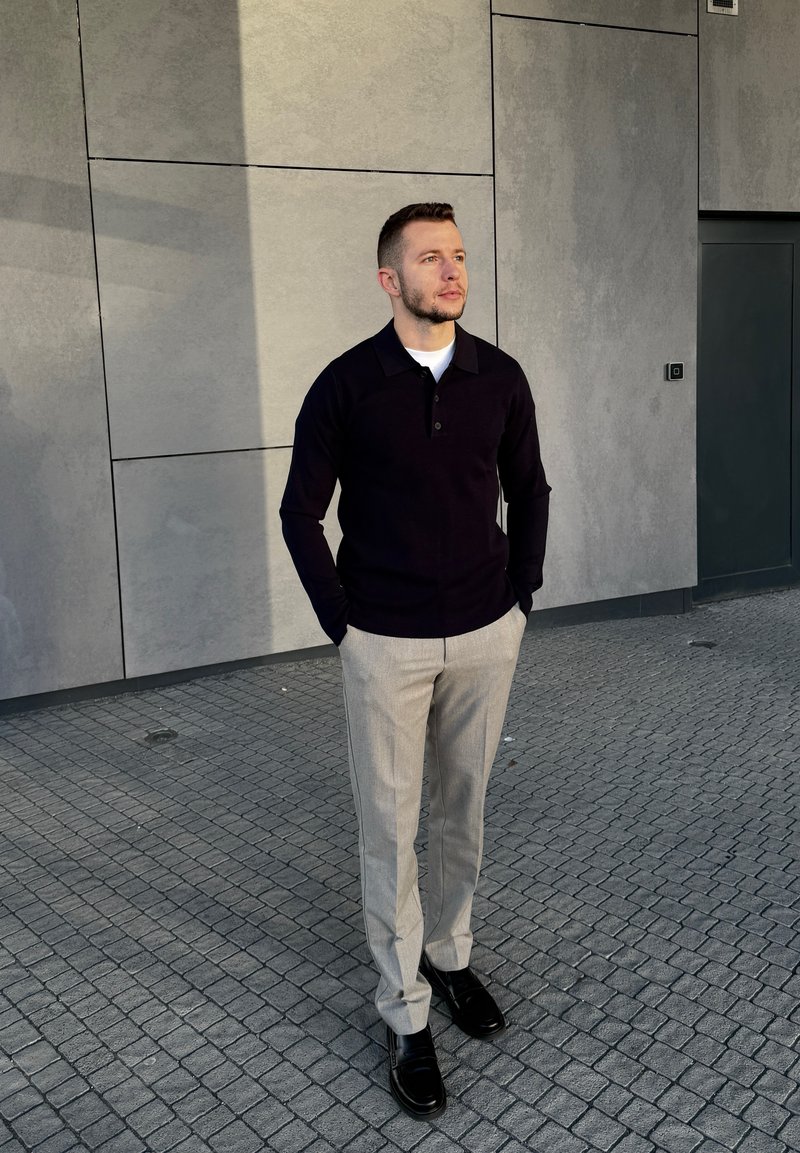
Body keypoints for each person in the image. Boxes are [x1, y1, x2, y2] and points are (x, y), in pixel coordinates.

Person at [280, 202, 549, 1119]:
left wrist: (521, 596)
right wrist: (341, 622)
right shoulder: (347, 384)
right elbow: (299, 511)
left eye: (460, 256)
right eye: (430, 259)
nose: (452, 270)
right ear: (390, 279)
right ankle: (405, 1014)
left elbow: (530, 488)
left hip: (485, 632)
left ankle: (451, 957)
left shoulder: (500, 377)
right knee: (391, 828)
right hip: (383, 638)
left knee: (461, 813)